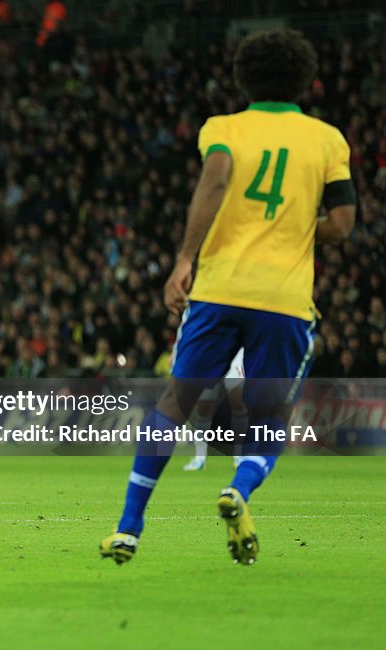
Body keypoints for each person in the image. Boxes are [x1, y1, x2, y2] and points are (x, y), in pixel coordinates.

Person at [100, 29, 357, 566]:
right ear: (305, 79)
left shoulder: (224, 129)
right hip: (284, 300)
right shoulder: (329, 140)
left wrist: (184, 259)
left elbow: (214, 182)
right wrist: (296, 228)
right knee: (268, 419)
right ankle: (239, 487)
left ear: (243, 77)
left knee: (174, 403)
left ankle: (128, 527)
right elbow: (342, 223)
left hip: (217, 292)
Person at [182, 348, 247, 472]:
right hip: (212, 352)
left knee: (239, 405)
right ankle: (199, 459)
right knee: (203, 408)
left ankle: (240, 457)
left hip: (237, 353)